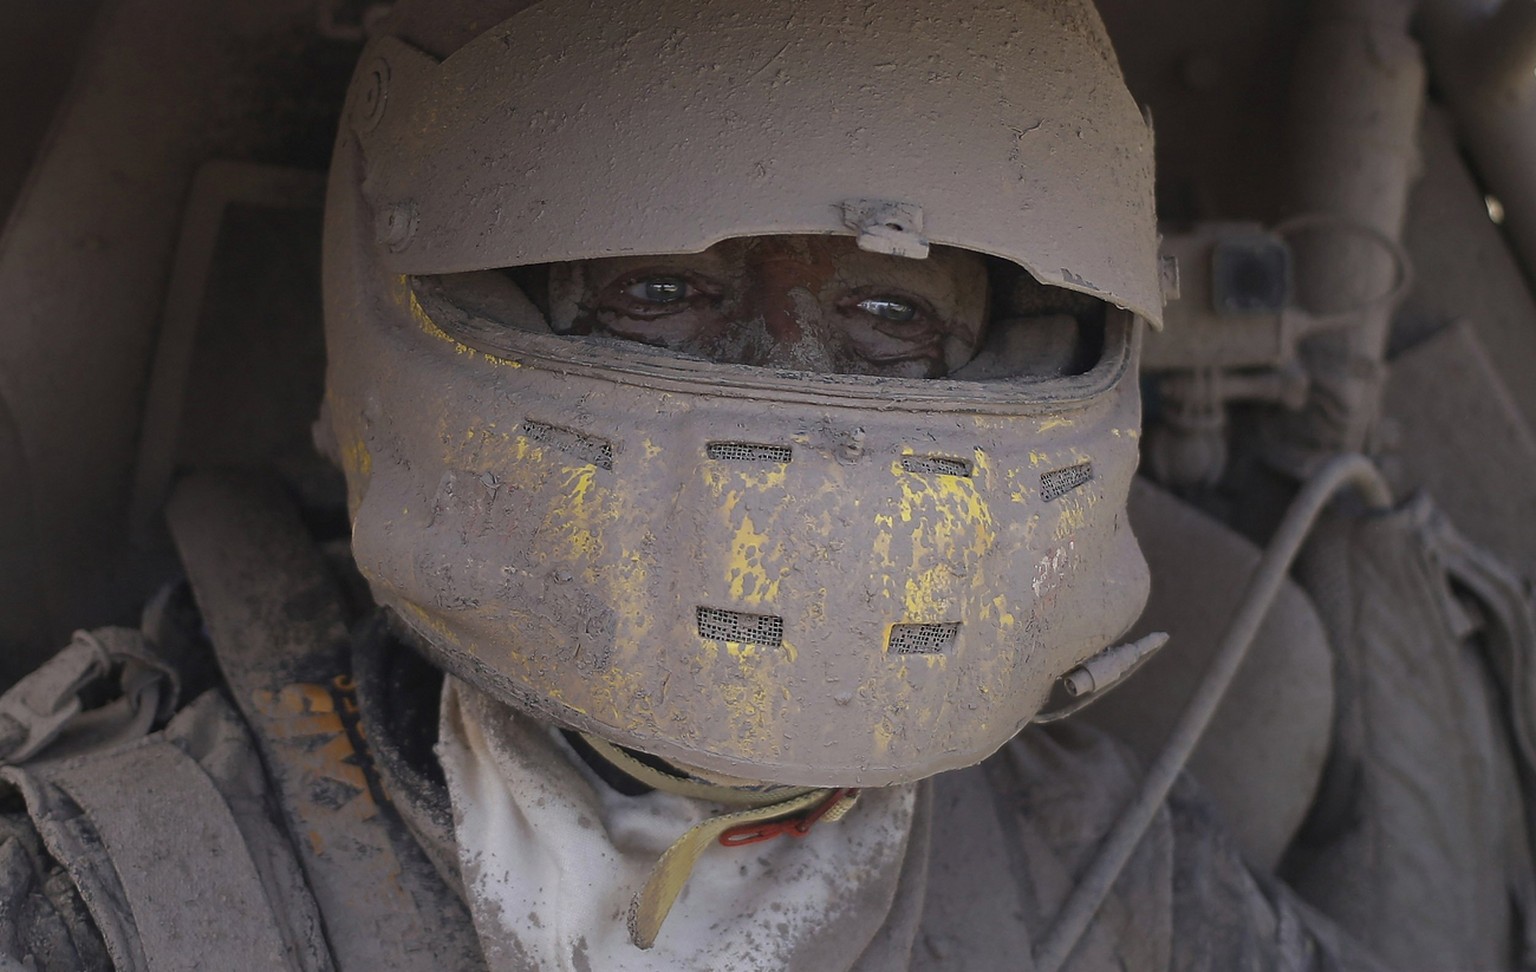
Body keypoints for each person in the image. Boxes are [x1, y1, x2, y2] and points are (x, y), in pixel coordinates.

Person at [0, 0, 1396, 968]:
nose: (795, 372)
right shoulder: (142, 890)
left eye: (892, 316)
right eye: (664, 292)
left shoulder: (1103, 871)